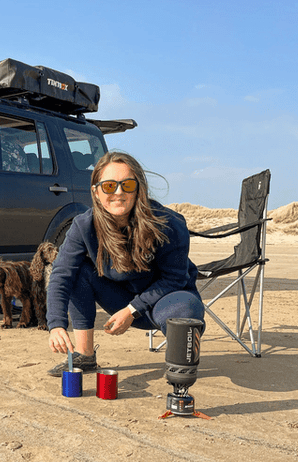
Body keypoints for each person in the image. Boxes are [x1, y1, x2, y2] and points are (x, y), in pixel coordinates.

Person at [46, 151, 204, 376]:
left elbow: (175, 278)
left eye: (127, 185)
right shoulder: (84, 226)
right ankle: (85, 355)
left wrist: (132, 310)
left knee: (185, 309)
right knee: (77, 272)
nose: (118, 192)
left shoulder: (168, 223)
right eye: (109, 186)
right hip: (119, 299)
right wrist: (56, 325)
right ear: (96, 192)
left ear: (138, 188)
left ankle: (181, 379)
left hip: (165, 300)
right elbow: (61, 276)